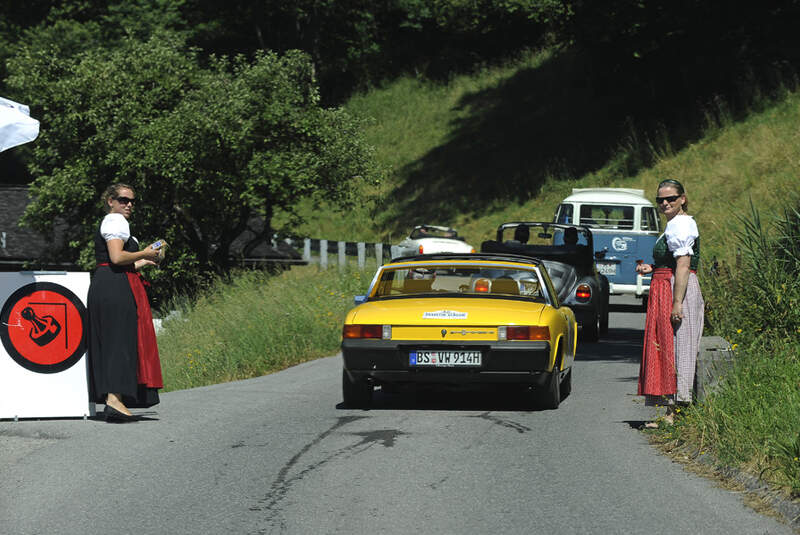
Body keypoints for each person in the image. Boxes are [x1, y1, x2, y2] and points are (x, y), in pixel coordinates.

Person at [87, 183, 164, 422]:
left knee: (115, 340)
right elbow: (117, 257)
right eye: (123, 199)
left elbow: (117, 262)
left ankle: (115, 397)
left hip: (108, 282)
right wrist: (145, 252)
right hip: (115, 286)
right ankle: (114, 399)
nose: (128, 204)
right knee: (119, 340)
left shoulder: (112, 223)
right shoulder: (116, 221)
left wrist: (144, 260)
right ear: (110, 201)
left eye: (131, 201)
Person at [635, 179, 704, 426]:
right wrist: (652, 268)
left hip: (677, 290)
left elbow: (684, 265)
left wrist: (677, 303)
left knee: (679, 346)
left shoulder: (683, 224)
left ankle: (677, 412)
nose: (665, 203)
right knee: (666, 345)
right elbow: (673, 260)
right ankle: (670, 412)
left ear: (682, 199)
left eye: (671, 199)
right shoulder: (673, 225)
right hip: (666, 286)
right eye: (660, 200)